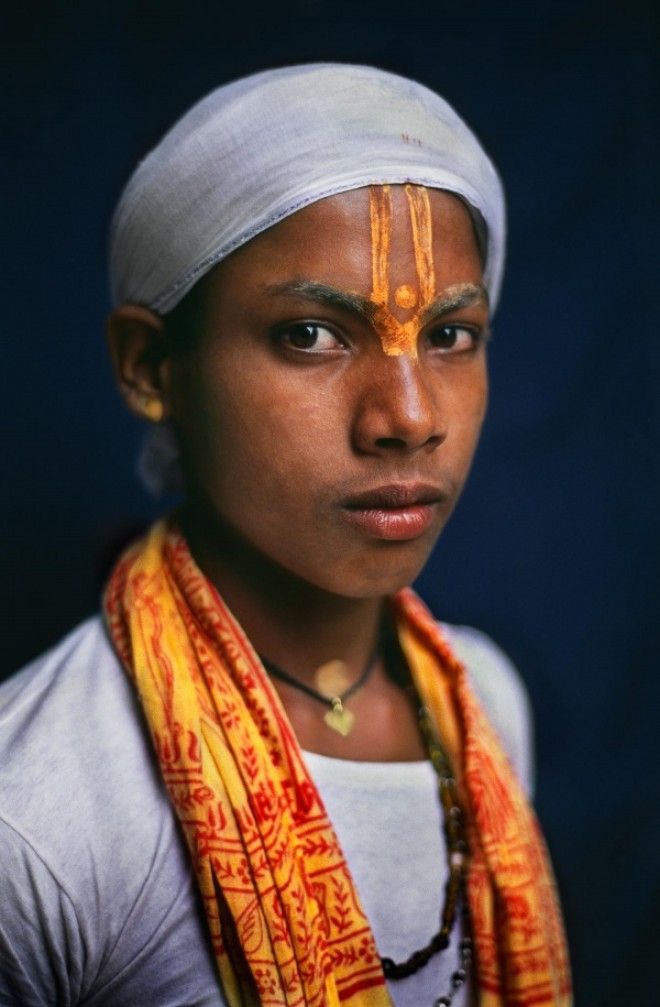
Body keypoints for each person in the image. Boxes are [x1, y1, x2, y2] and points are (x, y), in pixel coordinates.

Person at [0, 64, 572, 1006]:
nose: (409, 417)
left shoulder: (483, 704)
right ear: (151, 365)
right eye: (311, 333)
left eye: (450, 335)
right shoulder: (38, 821)